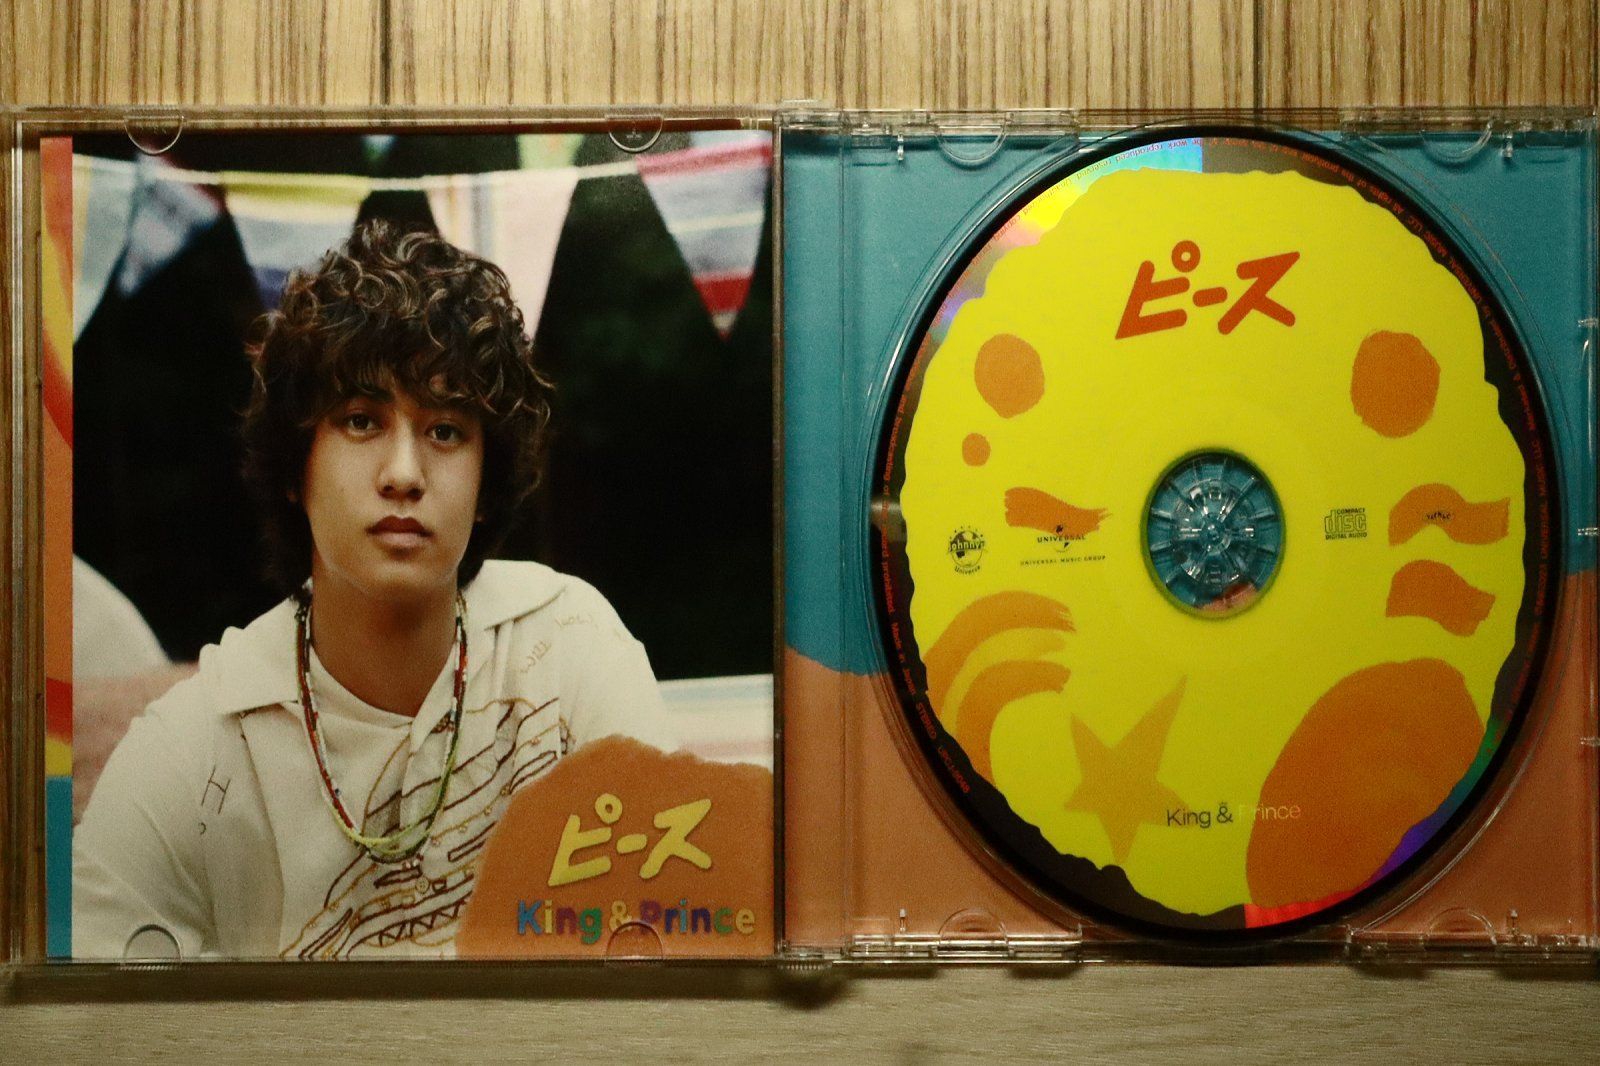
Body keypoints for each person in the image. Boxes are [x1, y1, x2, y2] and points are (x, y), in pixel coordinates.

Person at [73, 220, 676, 960]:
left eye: (445, 431)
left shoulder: (566, 647)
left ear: (486, 484)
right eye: (361, 421)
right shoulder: (202, 743)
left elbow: (675, 931)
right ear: (295, 468)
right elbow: (78, 990)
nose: (404, 474)